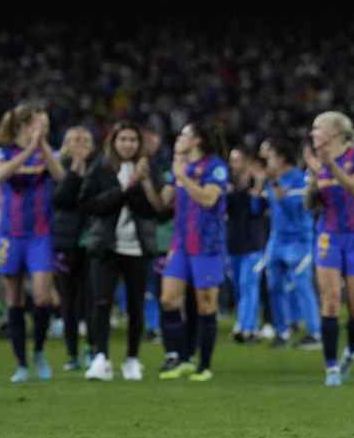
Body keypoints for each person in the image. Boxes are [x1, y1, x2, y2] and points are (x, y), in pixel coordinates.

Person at [79, 121, 165, 381]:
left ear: (139, 144)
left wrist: (145, 182)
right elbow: (87, 203)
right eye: (123, 139)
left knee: (136, 306)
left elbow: (159, 210)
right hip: (107, 245)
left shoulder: (150, 170)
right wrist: (124, 190)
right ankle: (101, 357)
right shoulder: (101, 169)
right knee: (101, 303)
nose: (128, 144)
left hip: (137, 247)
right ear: (113, 142)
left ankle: (132, 359)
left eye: (133, 140)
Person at [0, 103, 67, 382]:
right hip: (11, 235)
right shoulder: (4, 151)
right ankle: (21, 364)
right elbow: (1, 175)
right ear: (24, 125)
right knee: (15, 299)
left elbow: (60, 176)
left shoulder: (47, 153)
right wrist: (27, 150)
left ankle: (39, 351)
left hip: (40, 235)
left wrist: (41, 146)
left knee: (44, 296)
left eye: (45, 125)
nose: (43, 129)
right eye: (39, 124)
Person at [303, 111, 354, 387]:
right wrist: (312, 180)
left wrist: (330, 166)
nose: (312, 134)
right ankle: (331, 367)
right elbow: (310, 204)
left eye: (316, 128)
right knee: (330, 301)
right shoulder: (317, 163)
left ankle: (351, 352)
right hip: (328, 235)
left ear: (332, 133)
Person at [156, 122, 229, 382]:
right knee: (168, 299)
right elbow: (163, 200)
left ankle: (204, 366)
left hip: (207, 245)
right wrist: (169, 173)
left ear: (197, 140)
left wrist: (183, 177)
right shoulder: (179, 166)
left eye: (184, 134)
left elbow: (209, 199)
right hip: (181, 243)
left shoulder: (215, 166)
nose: (179, 138)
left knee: (205, 304)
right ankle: (180, 358)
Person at [253, 137, 321, 350]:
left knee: (302, 285)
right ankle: (281, 332)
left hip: (299, 240)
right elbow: (259, 209)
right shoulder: (273, 182)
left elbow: (300, 210)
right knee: (274, 287)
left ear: (281, 158)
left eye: (271, 156)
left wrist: (279, 191)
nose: (267, 162)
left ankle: (315, 333)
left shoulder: (300, 180)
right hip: (277, 240)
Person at [51, 126, 94, 371]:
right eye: (75, 139)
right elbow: (61, 198)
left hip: (91, 240)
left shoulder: (101, 167)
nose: (80, 143)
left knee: (91, 296)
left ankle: (91, 349)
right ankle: (71, 354)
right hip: (64, 242)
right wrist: (76, 168)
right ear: (65, 144)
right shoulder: (56, 168)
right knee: (68, 300)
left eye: (85, 139)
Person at [226, 147, 266, 344]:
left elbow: (257, 210)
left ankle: (246, 328)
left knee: (248, 285)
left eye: (238, 160)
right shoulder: (228, 186)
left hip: (254, 244)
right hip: (233, 243)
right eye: (232, 161)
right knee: (239, 288)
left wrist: (257, 187)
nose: (234, 165)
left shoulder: (257, 187)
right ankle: (248, 324)